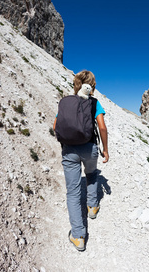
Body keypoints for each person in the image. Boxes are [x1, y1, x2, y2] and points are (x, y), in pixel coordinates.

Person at [53, 70, 109, 251]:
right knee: (92, 174)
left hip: (69, 150)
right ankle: (92, 207)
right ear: (92, 86)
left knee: (73, 192)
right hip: (90, 147)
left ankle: (78, 236)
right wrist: (105, 149)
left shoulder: (67, 102)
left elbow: (55, 126)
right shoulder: (94, 103)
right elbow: (102, 127)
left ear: (75, 84)